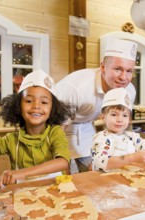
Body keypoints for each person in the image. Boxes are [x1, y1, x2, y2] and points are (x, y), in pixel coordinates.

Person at [0, 69, 74, 195]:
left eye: (44, 102)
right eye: (28, 101)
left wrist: (20, 173)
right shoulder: (11, 140)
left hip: (56, 192)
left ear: (52, 109)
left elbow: (63, 162)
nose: (36, 106)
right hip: (25, 195)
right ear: (18, 106)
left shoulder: (55, 133)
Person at [55, 39, 138, 173]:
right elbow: (56, 128)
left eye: (129, 71)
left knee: (97, 173)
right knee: (67, 177)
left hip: (87, 128)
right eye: (118, 69)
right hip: (55, 127)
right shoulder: (77, 88)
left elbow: (120, 125)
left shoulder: (129, 91)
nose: (124, 77)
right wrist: (62, 164)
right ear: (103, 67)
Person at [91, 88, 145, 171]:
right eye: (114, 114)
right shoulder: (102, 138)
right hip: (107, 180)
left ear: (129, 118)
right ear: (103, 117)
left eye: (125, 115)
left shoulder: (132, 137)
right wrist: (132, 158)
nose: (120, 119)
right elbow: (101, 161)